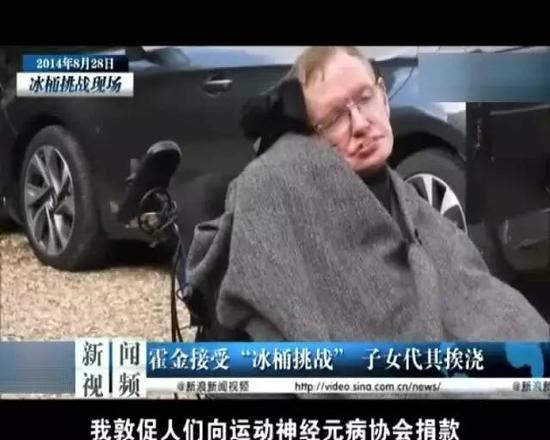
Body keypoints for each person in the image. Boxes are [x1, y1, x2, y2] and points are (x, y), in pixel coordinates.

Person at [184, 46, 549, 343]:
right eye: (334, 119)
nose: (360, 124)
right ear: (311, 138)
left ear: (384, 97)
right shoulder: (285, 193)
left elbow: (477, 294)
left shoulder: (412, 205)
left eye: (364, 98)